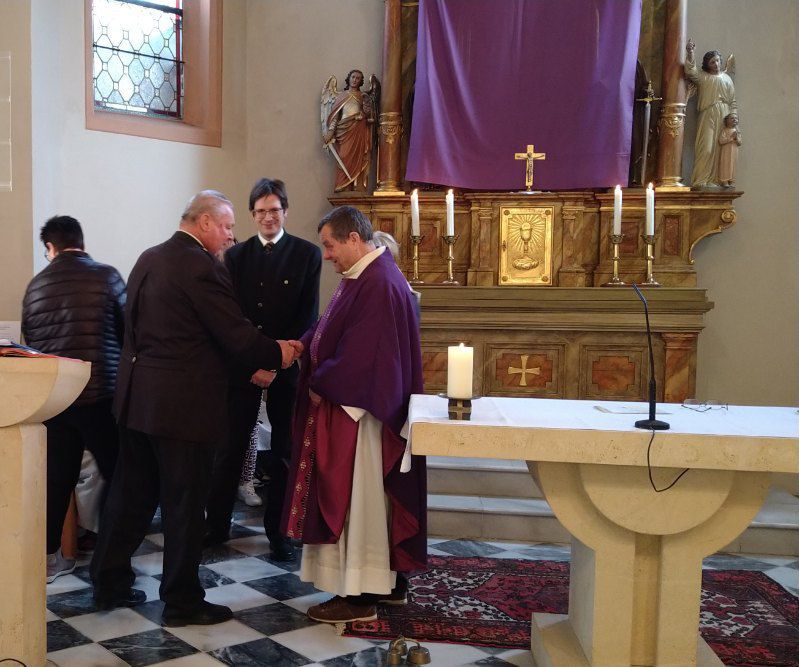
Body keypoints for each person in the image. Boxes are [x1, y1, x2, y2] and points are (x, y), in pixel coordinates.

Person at [90, 190, 301, 627]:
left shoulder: (150, 256)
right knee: (185, 504)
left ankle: (108, 579)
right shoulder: (199, 266)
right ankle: (182, 600)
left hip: (137, 402)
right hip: (181, 409)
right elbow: (234, 334)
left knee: (131, 496)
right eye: (226, 227)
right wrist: (276, 354)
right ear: (204, 222)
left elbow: (155, 331)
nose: (230, 236)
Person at [282, 205, 427, 624]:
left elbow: (363, 359)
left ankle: (360, 595)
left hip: (363, 416)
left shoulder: (378, 282)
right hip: (361, 409)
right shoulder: (363, 276)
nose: (326, 255)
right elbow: (331, 327)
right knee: (373, 505)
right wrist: (302, 346)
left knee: (360, 502)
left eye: (329, 245)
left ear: (352, 239)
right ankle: (387, 583)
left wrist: (317, 381)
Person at [205, 178, 321, 560]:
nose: (268, 217)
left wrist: (275, 363)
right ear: (251, 215)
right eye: (260, 211)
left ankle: (280, 532)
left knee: (285, 453)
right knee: (229, 448)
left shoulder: (306, 254)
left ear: (285, 211)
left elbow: (307, 315)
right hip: (242, 365)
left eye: (274, 210)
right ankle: (216, 526)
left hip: (285, 367)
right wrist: (254, 361)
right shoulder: (235, 257)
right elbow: (230, 316)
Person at [21, 215, 126, 583]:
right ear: (80, 241)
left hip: (57, 400)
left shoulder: (35, 288)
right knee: (119, 477)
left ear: (50, 248)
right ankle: (113, 562)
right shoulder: (108, 277)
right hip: (102, 397)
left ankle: (50, 561)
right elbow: (129, 335)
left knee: (56, 481)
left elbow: (29, 350)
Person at [684, 39, 738, 188]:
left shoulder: (727, 79)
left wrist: (734, 119)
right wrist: (690, 52)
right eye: (712, 62)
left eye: (718, 61)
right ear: (707, 64)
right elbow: (690, 71)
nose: (716, 64)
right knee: (706, 147)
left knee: (721, 149)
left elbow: (732, 101)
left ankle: (717, 180)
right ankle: (701, 180)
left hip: (725, 115)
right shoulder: (703, 77)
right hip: (708, 114)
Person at [323, 70, 375, 191]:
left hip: (358, 130)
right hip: (344, 131)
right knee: (343, 156)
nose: (355, 80)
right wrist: (330, 132)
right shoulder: (342, 96)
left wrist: (363, 114)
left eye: (358, 78)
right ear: (349, 78)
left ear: (361, 81)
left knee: (359, 157)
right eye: (353, 77)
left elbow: (368, 113)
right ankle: (342, 184)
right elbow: (335, 116)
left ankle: (357, 186)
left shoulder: (363, 96)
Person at [717, 114, 742, 188]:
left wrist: (737, 138)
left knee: (732, 165)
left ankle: (730, 180)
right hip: (726, 151)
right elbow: (721, 141)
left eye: (736, 118)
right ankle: (724, 181)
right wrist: (731, 138)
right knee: (726, 164)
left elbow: (740, 142)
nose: (734, 120)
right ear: (726, 120)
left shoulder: (737, 131)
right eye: (732, 118)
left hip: (734, 151)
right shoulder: (725, 130)